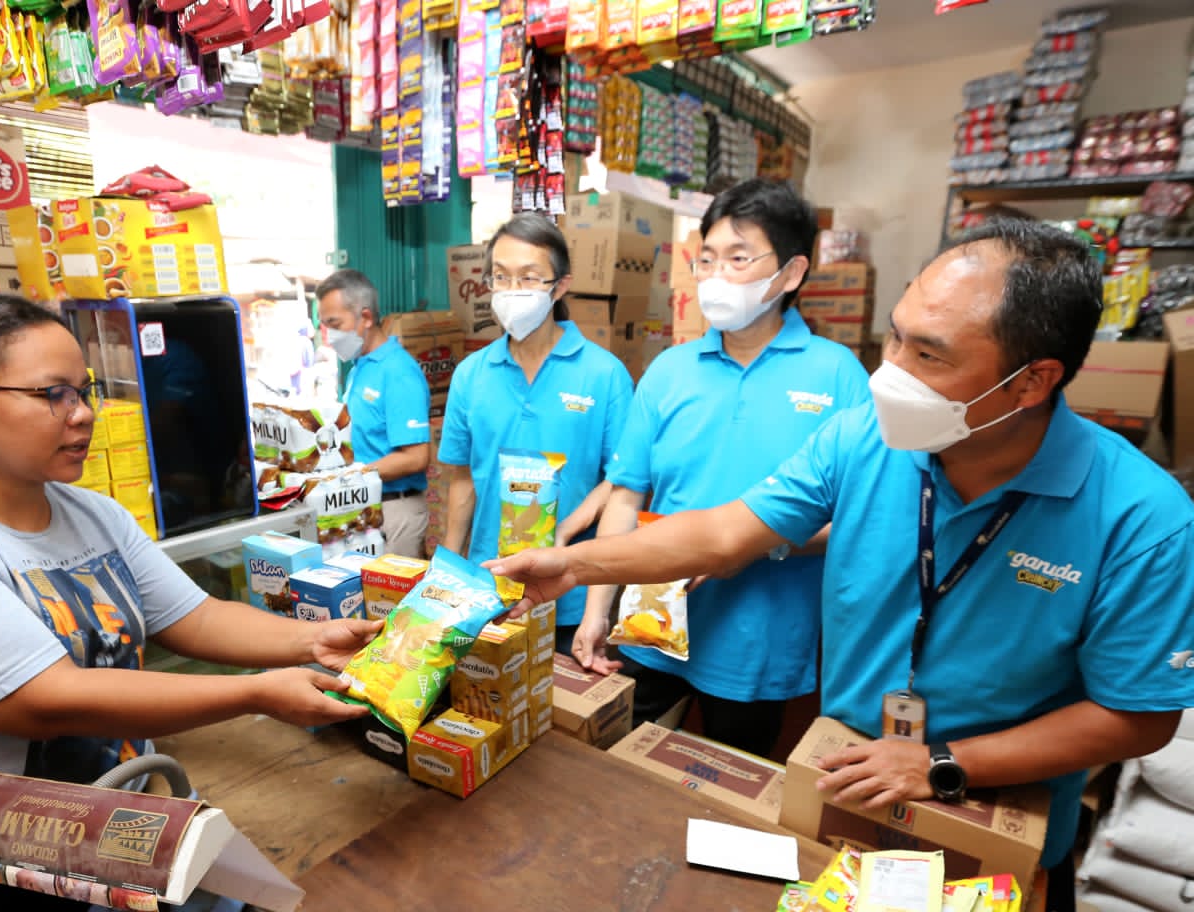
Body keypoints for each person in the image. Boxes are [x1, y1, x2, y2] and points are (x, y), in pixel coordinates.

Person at [490, 220, 1194, 912]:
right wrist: (576, 564)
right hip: (848, 780)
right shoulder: (865, 437)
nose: (891, 372)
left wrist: (944, 764)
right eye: (895, 336)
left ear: (1030, 381)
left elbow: (1139, 716)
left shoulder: (1142, 519)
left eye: (930, 355)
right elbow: (726, 532)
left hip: (993, 821)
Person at [0, 294, 380, 912]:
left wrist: (312, 640)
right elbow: (42, 702)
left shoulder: (92, 513)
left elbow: (197, 617)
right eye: (51, 394)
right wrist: (256, 692)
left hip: (104, 830)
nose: (83, 414)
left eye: (82, 390)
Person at [576, 179, 870, 758]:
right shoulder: (669, 371)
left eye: (738, 259)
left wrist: (754, 544)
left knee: (732, 792)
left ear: (790, 274)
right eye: (706, 258)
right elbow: (626, 498)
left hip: (760, 639)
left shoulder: (839, 377)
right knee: (623, 773)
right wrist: (595, 610)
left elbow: (862, 521)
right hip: (650, 627)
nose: (716, 274)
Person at [439, 213, 633, 655]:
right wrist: (447, 569)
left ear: (560, 286)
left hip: (570, 585)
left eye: (529, 278)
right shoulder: (471, 374)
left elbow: (621, 480)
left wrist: (569, 528)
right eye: (501, 277)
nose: (512, 291)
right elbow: (463, 478)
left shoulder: (604, 375)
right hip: (487, 583)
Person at [316, 269, 432, 558]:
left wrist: (352, 477)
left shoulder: (398, 372)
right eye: (324, 326)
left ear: (365, 318)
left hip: (395, 511)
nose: (328, 336)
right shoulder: (361, 367)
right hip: (365, 505)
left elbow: (417, 457)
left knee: (390, 601)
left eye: (334, 324)